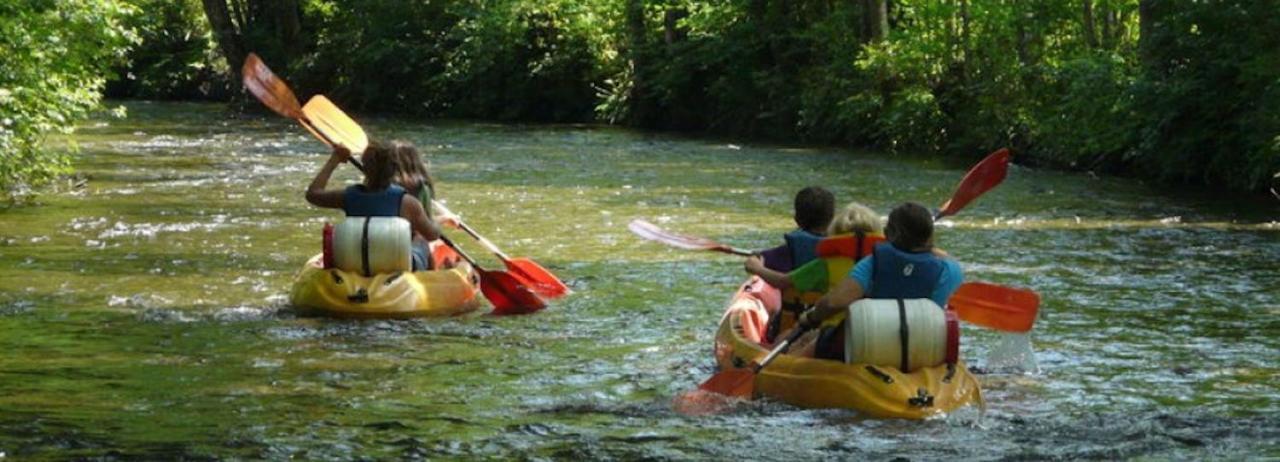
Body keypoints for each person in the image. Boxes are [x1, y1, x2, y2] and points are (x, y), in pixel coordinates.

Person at [794, 202, 964, 361]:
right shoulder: (950, 269)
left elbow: (834, 302)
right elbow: (936, 258)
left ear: (888, 233)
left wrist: (811, 318)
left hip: (873, 347)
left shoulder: (874, 262)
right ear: (929, 235)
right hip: (926, 351)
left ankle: (791, 362)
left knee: (822, 337)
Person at [745, 202, 885, 351]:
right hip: (878, 333)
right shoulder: (883, 262)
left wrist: (757, 268)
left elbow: (782, 282)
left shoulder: (825, 264)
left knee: (784, 337)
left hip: (835, 334)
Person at [305, 141, 441, 271]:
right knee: (421, 238)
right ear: (393, 169)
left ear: (365, 168)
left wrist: (334, 161)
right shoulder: (408, 202)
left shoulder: (348, 197)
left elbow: (312, 194)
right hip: (397, 266)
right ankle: (431, 280)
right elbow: (432, 235)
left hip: (356, 263)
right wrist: (435, 223)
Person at [756, 186, 836, 273]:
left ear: (797, 219)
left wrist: (755, 259)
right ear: (832, 218)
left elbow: (760, 259)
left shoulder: (789, 250)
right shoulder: (843, 248)